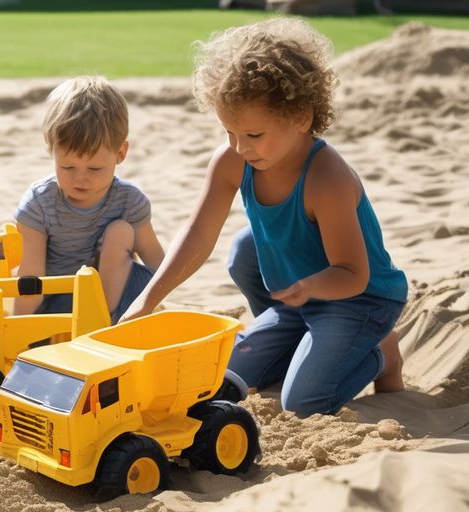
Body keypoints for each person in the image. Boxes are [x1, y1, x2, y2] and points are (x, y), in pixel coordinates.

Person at [120, 18, 408, 415]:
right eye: (228, 132)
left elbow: (352, 273)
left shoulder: (327, 178)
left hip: (357, 300)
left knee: (304, 402)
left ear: (301, 117)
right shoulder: (233, 161)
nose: (239, 147)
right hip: (295, 297)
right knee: (224, 374)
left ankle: (380, 351)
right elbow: (200, 233)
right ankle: (299, 336)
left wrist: (308, 287)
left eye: (253, 135)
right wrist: (148, 299)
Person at [13, 76, 165, 323]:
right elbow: (31, 278)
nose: (80, 179)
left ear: (120, 153)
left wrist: (160, 303)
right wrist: (18, 332)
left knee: (121, 231)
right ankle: (95, 322)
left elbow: (156, 260)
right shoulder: (40, 203)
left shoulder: (128, 201)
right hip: (61, 304)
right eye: (68, 167)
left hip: (120, 305)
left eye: (94, 169)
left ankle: (104, 320)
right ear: (51, 150)